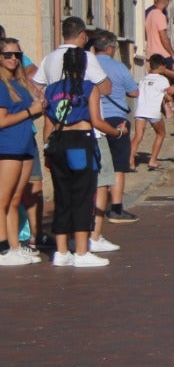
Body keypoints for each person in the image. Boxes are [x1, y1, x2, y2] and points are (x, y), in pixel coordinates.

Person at [42, 46, 122, 267]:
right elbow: (96, 121)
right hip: (80, 140)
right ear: (85, 66)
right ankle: (81, 252)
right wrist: (118, 132)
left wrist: (46, 150)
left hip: (57, 142)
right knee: (83, 196)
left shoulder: (52, 90)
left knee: (62, 197)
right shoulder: (89, 87)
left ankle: (61, 252)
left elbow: (48, 124)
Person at [0, 37, 44, 265]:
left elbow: (27, 111)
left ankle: (15, 246)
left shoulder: (19, 83)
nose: (13, 59)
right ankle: (3, 248)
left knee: (16, 198)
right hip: (8, 147)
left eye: (17, 54)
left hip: (25, 144)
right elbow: (2, 120)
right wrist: (30, 111)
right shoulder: (0, 84)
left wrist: (38, 110)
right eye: (8, 55)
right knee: (3, 199)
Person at [90, 31, 140, 226]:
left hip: (95, 119)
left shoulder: (88, 65)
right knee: (119, 165)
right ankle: (116, 208)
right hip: (117, 120)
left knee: (98, 164)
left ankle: (94, 205)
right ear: (111, 48)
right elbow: (134, 92)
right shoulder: (119, 67)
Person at [130, 54, 174, 171]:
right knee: (161, 134)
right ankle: (153, 160)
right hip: (153, 112)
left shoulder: (143, 78)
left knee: (137, 136)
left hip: (140, 111)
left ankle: (130, 161)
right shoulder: (163, 80)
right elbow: (169, 94)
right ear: (162, 66)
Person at [144, 0, 174, 64]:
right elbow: (163, 37)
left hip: (151, 52)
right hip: (161, 53)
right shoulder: (160, 15)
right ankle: (164, 70)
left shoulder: (149, 13)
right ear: (166, 2)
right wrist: (173, 54)